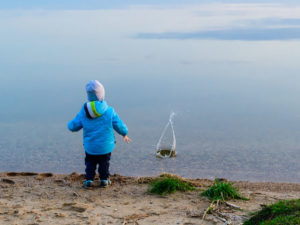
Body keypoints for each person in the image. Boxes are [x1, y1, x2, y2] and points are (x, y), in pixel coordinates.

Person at [68, 80, 131, 188]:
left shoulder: (84, 111)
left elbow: (73, 126)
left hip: (90, 146)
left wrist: (71, 128)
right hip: (105, 146)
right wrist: (124, 133)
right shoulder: (109, 111)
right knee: (104, 163)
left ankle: (88, 180)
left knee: (90, 163)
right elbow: (119, 125)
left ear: (88, 96)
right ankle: (104, 180)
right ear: (102, 95)